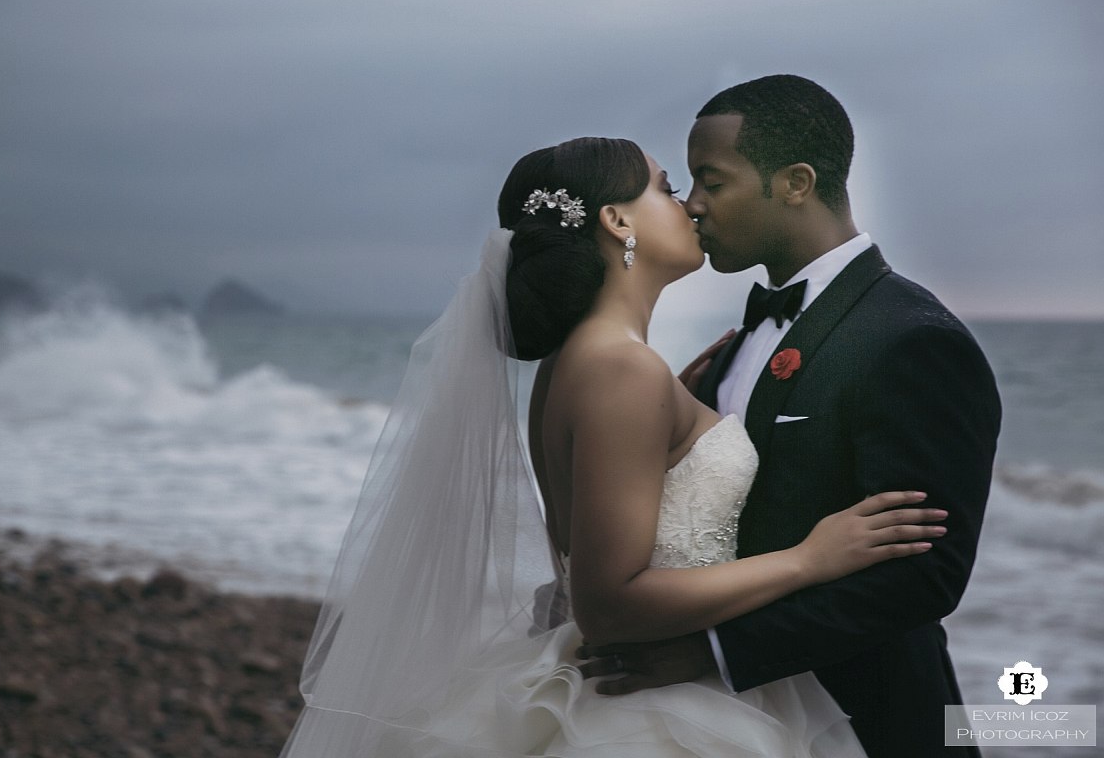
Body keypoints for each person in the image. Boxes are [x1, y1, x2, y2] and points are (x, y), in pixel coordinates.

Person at [280, 136, 950, 757]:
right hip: (659, 712)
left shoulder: (591, 365)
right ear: (617, 222)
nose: (687, 203)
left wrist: (683, 414)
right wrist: (810, 559)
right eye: (663, 188)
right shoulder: (621, 371)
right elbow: (608, 602)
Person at [577, 76, 1002, 757]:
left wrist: (714, 652)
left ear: (796, 182)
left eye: (712, 182)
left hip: (868, 719)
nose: (693, 207)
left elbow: (925, 573)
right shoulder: (728, 353)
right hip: (727, 724)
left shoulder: (913, 340)